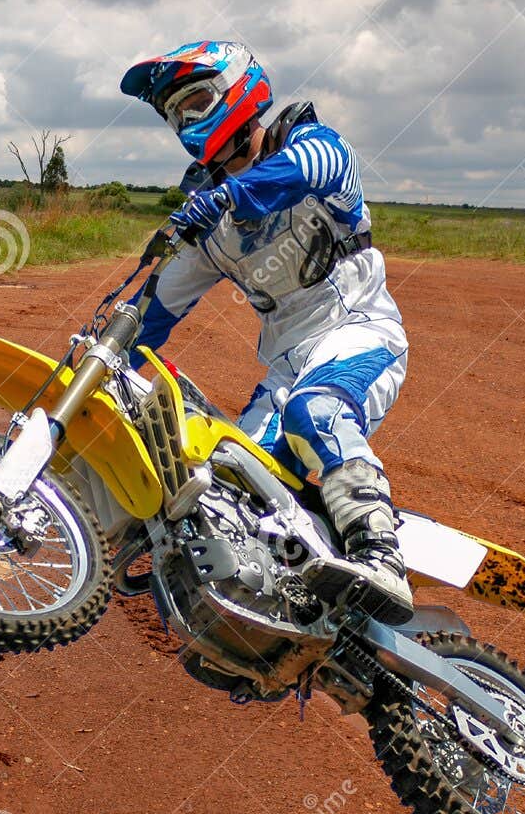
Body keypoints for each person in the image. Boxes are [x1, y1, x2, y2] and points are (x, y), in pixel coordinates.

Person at [118, 39, 412, 622]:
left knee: (317, 412)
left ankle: (382, 556)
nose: (187, 121)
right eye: (177, 113)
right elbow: (157, 307)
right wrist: (106, 355)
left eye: (198, 100)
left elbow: (305, 171)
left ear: (241, 89)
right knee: (230, 477)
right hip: (286, 361)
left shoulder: (313, 146)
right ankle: (291, 615)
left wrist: (224, 196)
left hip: (358, 331)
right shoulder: (214, 219)